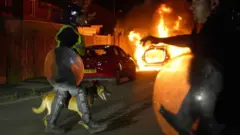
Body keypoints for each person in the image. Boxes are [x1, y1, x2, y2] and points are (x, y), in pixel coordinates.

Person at [141, 0, 237, 134]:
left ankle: (184, 116)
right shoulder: (208, 28)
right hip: (213, 105)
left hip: (223, 110)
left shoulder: (221, 30)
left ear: (214, 4)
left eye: (197, 2)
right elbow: (191, 40)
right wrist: (160, 40)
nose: (191, 7)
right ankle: (183, 116)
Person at [45, 4, 107, 134]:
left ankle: (51, 124)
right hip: (66, 71)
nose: (84, 18)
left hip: (64, 71)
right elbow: (64, 52)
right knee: (79, 92)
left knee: (61, 95)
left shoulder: (71, 30)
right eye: (81, 16)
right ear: (74, 17)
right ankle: (88, 122)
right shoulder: (69, 31)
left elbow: (70, 51)